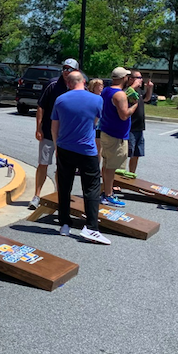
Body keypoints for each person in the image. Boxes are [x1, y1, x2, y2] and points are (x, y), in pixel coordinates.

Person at [51, 71, 110, 244]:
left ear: (68, 83)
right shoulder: (97, 99)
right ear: (84, 82)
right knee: (91, 189)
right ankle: (91, 227)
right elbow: (97, 121)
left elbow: (54, 126)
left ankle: (64, 223)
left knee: (64, 186)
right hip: (87, 150)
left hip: (64, 148)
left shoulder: (60, 100)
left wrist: (56, 146)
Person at [29, 58, 78, 210]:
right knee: (43, 163)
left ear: (76, 71)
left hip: (67, 136)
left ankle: (59, 196)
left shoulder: (77, 87)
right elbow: (41, 107)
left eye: (69, 69)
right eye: (64, 68)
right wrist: (38, 128)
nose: (66, 71)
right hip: (49, 133)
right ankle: (37, 195)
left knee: (62, 167)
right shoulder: (52, 84)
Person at [99, 67, 138, 207]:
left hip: (106, 131)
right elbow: (124, 115)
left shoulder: (106, 90)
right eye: (128, 77)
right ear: (123, 78)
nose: (129, 79)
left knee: (107, 164)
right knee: (111, 167)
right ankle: (108, 195)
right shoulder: (119, 95)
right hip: (116, 135)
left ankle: (105, 192)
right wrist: (134, 106)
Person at [125, 70, 154, 175]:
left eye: (141, 78)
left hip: (139, 128)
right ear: (131, 79)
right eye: (139, 78)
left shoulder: (139, 91)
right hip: (130, 127)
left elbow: (147, 98)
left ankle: (131, 174)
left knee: (136, 153)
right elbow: (125, 97)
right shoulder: (127, 91)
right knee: (126, 153)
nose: (141, 80)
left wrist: (149, 88)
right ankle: (119, 179)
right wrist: (132, 87)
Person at [87, 78, 104, 161]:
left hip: (99, 126)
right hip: (89, 125)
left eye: (102, 85)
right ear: (93, 87)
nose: (101, 88)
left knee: (98, 147)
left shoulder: (103, 98)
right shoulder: (89, 97)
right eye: (98, 86)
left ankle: (96, 167)